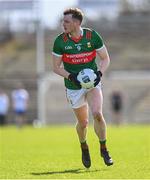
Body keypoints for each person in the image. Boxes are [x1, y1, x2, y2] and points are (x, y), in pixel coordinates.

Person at [52, 8, 113, 168]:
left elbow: (105, 58)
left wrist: (99, 73)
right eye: (63, 21)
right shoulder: (60, 41)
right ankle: (84, 146)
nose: (63, 24)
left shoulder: (92, 36)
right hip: (73, 86)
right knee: (84, 122)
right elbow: (56, 67)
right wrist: (72, 77)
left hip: (92, 83)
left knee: (97, 114)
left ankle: (104, 148)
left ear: (77, 22)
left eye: (67, 21)